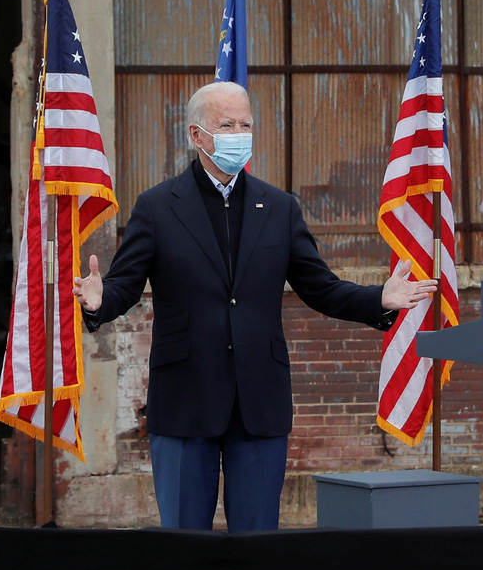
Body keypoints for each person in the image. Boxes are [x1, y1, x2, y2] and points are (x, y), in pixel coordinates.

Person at [75, 81, 435, 530]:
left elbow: (318, 286)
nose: (238, 133)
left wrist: (376, 299)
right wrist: (99, 299)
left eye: (246, 124)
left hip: (259, 400)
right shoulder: (157, 207)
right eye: (226, 124)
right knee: (185, 542)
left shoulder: (280, 207)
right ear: (196, 135)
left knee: (259, 541)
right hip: (186, 398)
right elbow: (124, 287)